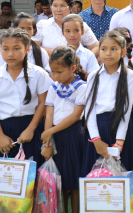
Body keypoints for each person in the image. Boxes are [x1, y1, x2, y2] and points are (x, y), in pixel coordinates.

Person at [0, 28, 51, 176]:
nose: (10, 54)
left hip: (32, 128)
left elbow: (43, 103)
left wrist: (31, 129)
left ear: (27, 49)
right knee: (4, 178)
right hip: (4, 130)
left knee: (30, 177)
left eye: (16, 48)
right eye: (5, 49)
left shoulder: (38, 73)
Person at [81, 31, 133, 202]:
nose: (108, 53)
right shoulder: (93, 76)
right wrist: (96, 140)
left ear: (123, 51)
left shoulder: (128, 75)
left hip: (119, 129)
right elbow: (89, 111)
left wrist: (119, 143)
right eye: (104, 49)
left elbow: (126, 111)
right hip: (97, 130)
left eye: (114, 49)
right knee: (97, 179)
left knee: (120, 180)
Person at [41, 46, 87, 213]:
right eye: (53, 72)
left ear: (73, 68)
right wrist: (47, 143)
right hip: (56, 136)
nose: (55, 76)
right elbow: (49, 114)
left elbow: (75, 116)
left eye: (59, 72)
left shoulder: (81, 87)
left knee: (74, 179)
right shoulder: (54, 87)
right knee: (59, 179)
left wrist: (49, 132)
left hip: (74, 136)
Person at [33, 0, 99, 57]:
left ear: (71, 8)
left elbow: (96, 47)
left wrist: (86, 60)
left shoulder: (80, 25)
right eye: (55, 5)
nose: (58, 9)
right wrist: (57, 53)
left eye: (62, 6)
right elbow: (33, 47)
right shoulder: (43, 25)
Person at [111, 26, 133, 157]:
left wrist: (125, 106)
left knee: (129, 141)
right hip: (111, 109)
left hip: (129, 109)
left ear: (128, 46)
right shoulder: (107, 63)